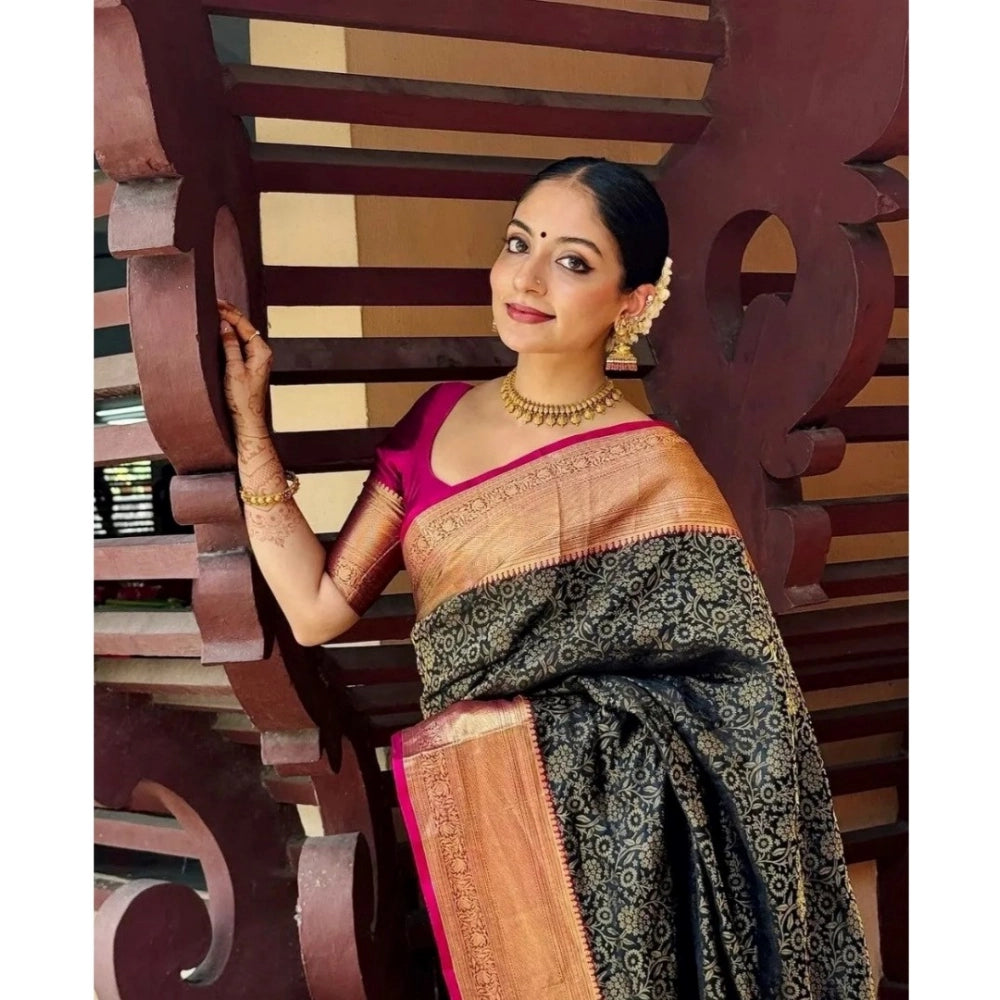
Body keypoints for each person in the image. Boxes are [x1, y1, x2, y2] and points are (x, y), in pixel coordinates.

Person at [218, 157, 874, 1000]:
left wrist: (540, 733)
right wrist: (251, 428)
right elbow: (316, 609)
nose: (525, 279)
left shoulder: (655, 469)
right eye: (517, 243)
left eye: (572, 261)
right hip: (486, 824)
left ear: (634, 301)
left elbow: (746, 700)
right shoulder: (435, 419)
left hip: (613, 858)